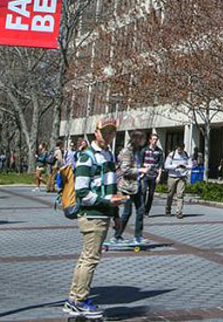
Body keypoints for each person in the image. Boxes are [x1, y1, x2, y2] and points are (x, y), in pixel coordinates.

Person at [65, 117, 126, 320]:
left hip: (103, 214)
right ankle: (79, 301)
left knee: (86, 257)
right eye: (105, 132)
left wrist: (115, 213)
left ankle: (74, 298)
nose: (108, 136)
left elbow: (111, 188)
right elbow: (82, 192)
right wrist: (107, 204)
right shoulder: (87, 157)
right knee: (91, 258)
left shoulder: (108, 155)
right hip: (92, 216)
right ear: (96, 132)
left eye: (111, 133)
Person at [112, 130, 149, 246]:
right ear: (136, 139)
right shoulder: (127, 152)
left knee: (141, 210)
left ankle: (138, 236)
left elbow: (135, 166)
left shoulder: (138, 151)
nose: (143, 142)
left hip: (136, 186)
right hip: (126, 187)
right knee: (127, 212)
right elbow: (125, 170)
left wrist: (142, 170)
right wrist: (140, 170)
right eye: (142, 139)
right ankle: (117, 236)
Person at [164, 143, 192, 218]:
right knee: (170, 194)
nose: (180, 151)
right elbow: (166, 165)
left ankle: (179, 212)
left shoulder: (186, 155)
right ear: (177, 148)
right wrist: (174, 166)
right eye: (179, 149)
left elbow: (190, 165)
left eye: (181, 149)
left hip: (182, 177)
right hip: (172, 176)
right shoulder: (171, 154)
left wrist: (185, 166)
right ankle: (168, 209)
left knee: (180, 194)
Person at [141, 132, 164, 215]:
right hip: (145, 175)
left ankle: (147, 211)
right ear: (150, 140)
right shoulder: (144, 150)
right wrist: (143, 169)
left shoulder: (159, 151)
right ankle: (142, 209)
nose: (155, 141)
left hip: (154, 175)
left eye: (156, 139)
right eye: (153, 139)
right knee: (143, 192)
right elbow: (140, 162)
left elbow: (161, 165)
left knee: (151, 194)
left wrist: (159, 176)